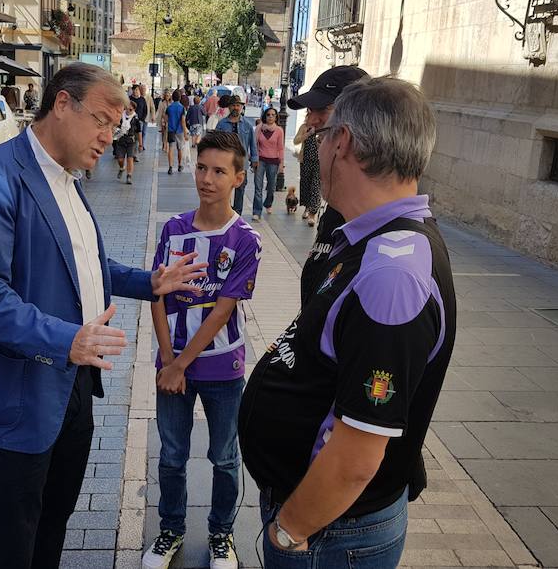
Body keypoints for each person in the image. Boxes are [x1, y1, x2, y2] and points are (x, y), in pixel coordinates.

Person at [0, 63, 207, 569]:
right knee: (7, 542)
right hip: (12, 396)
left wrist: (148, 282)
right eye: (101, 120)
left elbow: (81, 263)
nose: (108, 137)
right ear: (62, 103)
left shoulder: (66, 178)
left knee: (51, 523)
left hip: (70, 387)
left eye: (116, 126)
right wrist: (66, 340)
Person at [238, 77, 456, 569]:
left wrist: (290, 530)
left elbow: (357, 454)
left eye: (322, 134)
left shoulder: (391, 273)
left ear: (345, 143)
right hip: (326, 522)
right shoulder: (371, 238)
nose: (315, 145)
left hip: (329, 531)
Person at [143, 130, 261, 569]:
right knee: (172, 456)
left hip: (222, 369)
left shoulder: (245, 239)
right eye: (201, 168)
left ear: (238, 178)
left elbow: (221, 310)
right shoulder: (173, 230)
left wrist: (181, 364)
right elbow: (157, 293)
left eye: (219, 171)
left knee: (225, 457)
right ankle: (170, 530)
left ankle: (221, 535)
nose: (207, 179)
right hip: (171, 366)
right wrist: (168, 360)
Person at [287, 66, 370, 300]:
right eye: (310, 110)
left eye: (322, 109)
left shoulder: (381, 239)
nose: (311, 120)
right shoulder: (338, 211)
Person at [215, 96, 258, 215]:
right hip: (225, 162)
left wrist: (255, 159)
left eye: (238, 105)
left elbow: (252, 144)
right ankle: (226, 210)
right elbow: (216, 143)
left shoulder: (247, 125)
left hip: (241, 163)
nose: (236, 107)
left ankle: (237, 214)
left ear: (241, 107)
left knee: (240, 188)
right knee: (225, 187)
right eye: (233, 105)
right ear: (229, 107)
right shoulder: (221, 124)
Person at [252, 106, 284, 221]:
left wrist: (281, 164)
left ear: (276, 117)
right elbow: (254, 144)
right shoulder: (259, 128)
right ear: (265, 116)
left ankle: (268, 203)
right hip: (260, 160)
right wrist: (253, 159)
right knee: (258, 186)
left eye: (273, 115)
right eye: (268, 115)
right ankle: (257, 211)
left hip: (273, 161)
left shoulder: (279, 130)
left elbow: (280, 148)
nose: (270, 117)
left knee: (271, 186)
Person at [115, 101, 140, 185]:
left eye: (130, 109)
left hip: (131, 141)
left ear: (134, 109)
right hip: (121, 140)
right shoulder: (120, 116)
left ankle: (129, 176)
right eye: (127, 108)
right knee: (120, 159)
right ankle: (122, 168)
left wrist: (140, 144)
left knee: (130, 159)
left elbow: (139, 131)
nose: (128, 110)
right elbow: (115, 125)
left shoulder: (135, 118)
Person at [166, 90, 186, 175]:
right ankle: (179, 165)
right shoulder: (182, 108)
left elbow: (166, 119)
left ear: (172, 98)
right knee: (179, 148)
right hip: (179, 130)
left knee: (170, 148)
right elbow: (183, 121)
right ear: (180, 98)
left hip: (171, 130)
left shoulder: (169, 107)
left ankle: (170, 167)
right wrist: (185, 132)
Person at [132, 85, 148, 155]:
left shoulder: (142, 99)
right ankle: (132, 153)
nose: (135, 91)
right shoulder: (130, 99)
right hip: (131, 121)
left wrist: (142, 119)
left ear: (139, 91)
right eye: (134, 90)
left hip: (139, 121)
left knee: (137, 138)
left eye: (136, 90)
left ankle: (135, 155)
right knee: (132, 137)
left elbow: (145, 110)